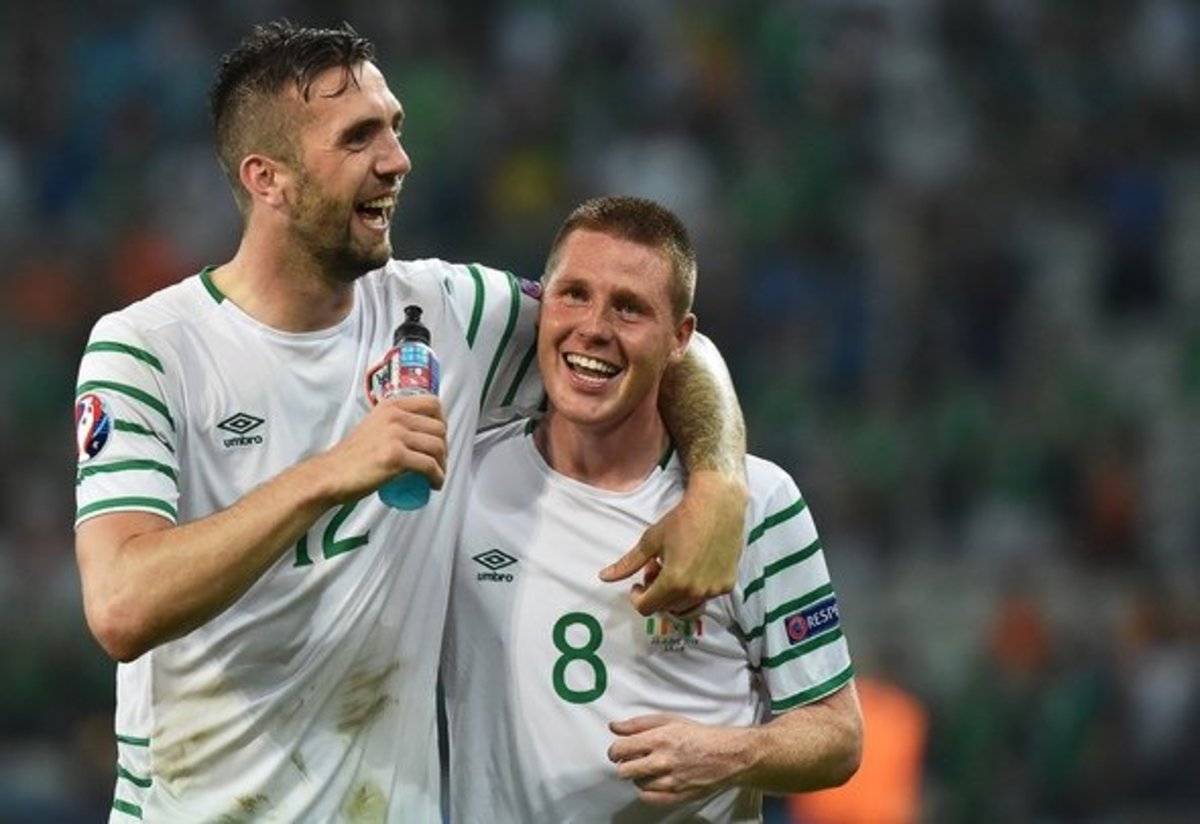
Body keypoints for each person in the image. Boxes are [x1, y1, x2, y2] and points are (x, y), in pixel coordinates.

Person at [72, 22, 748, 822]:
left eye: (394, 127)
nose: (397, 160)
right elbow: (121, 606)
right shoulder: (150, 349)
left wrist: (720, 486)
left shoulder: (448, 311)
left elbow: (654, 343)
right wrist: (330, 474)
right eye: (359, 137)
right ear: (268, 179)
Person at [441, 196, 863, 822]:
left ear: (681, 339)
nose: (594, 328)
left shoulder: (757, 502)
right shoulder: (462, 480)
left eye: (629, 308)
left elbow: (839, 735)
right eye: (574, 295)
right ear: (542, 305)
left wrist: (728, 755)